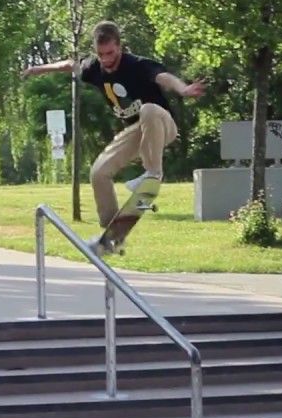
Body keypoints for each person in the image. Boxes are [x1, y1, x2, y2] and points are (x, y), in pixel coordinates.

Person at [20, 21, 205, 250]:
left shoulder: (136, 64)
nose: (106, 60)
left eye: (110, 53)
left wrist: (183, 89)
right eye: (101, 54)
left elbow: (163, 77)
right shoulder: (94, 68)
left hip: (161, 124)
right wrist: (39, 69)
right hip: (135, 133)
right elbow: (70, 64)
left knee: (148, 109)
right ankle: (111, 236)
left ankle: (153, 173)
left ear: (119, 46)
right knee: (99, 173)